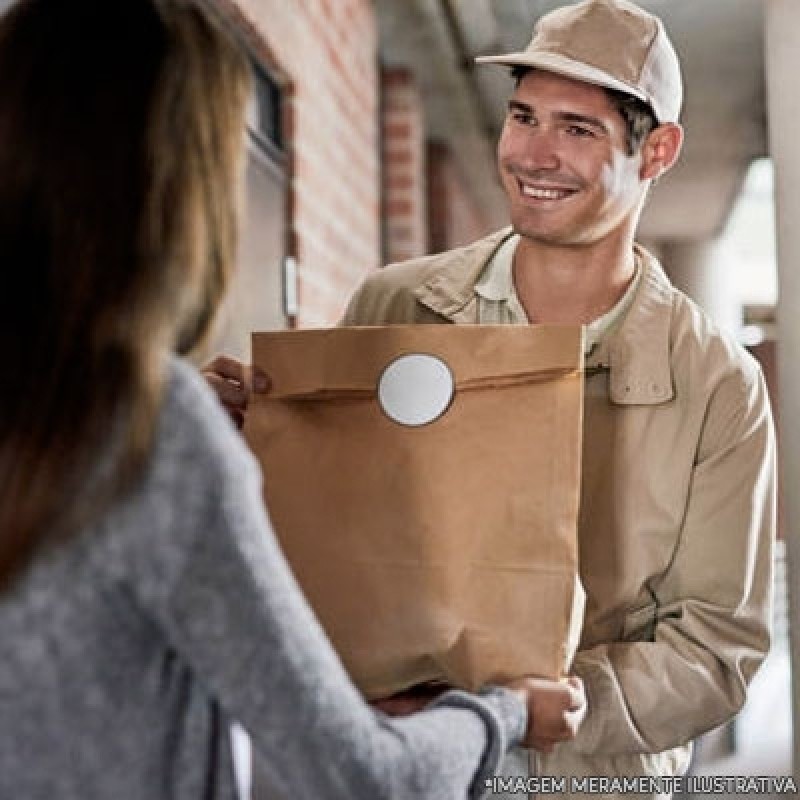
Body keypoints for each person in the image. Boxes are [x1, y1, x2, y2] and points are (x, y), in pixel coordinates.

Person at [0, 1, 588, 799]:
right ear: (177, 192)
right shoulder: (149, 429)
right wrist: (504, 715)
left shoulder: (116, 422)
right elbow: (363, 779)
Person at [209, 0, 776, 797]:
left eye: (577, 130)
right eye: (523, 116)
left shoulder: (719, 387)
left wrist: (552, 708)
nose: (534, 154)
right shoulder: (395, 308)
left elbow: (716, 648)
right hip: (405, 762)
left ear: (658, 151)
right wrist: (245, 447)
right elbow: (327, 534)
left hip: (585, 782)